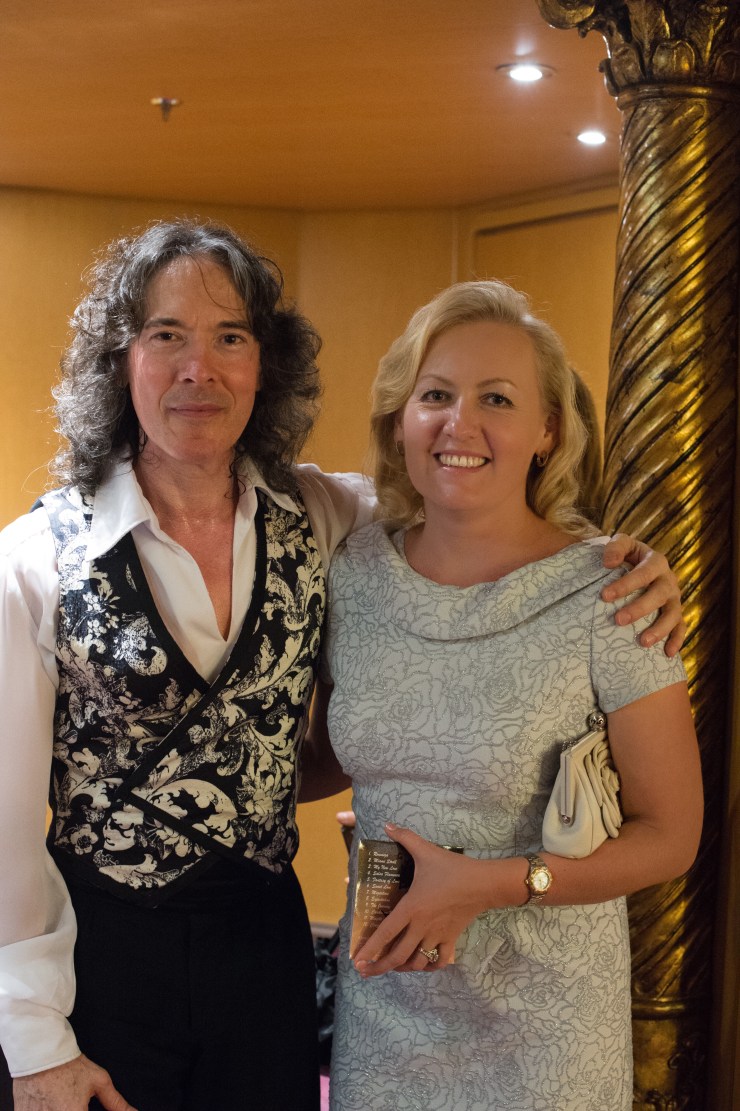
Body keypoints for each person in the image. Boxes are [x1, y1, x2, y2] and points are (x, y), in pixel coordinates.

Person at [0, 220, 683, 1111]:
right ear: (121, 360)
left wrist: (620, 557)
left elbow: (471, 501)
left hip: (265, 956)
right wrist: (33, 1039)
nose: (198, 369)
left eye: (230, 337)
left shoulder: (327, 519)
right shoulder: (36, 559)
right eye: (166, 335)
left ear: (265, 365)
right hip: (101, 961)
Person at [300, 280, 703, 1111]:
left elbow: (671, 836)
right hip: (386, 1014)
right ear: (400, 419)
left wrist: (489, 882)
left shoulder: (611, 592)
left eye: (497, 398)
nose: (461, 423)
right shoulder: (354, 573)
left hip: (545, 1032)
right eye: (436, 395)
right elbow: (340, 752)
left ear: (548, 428)